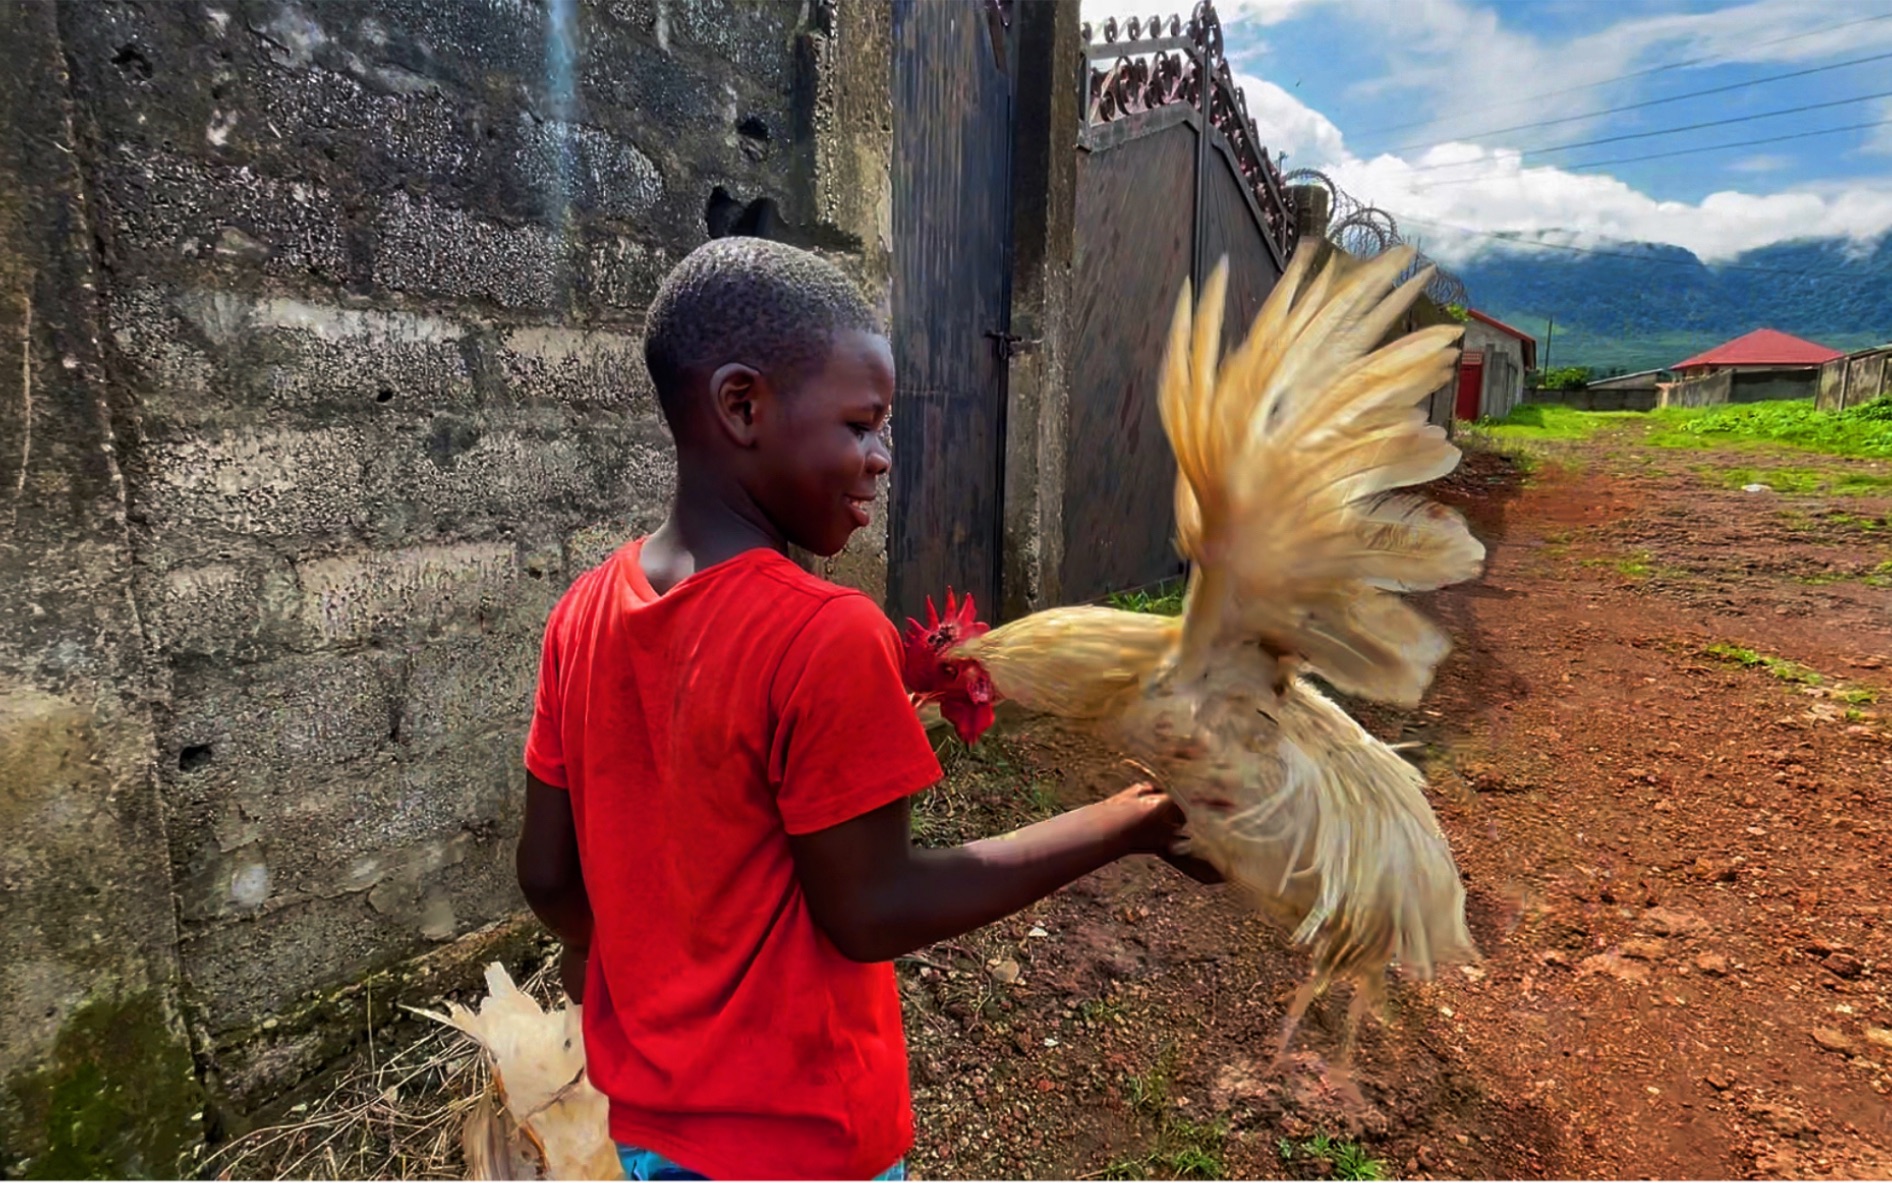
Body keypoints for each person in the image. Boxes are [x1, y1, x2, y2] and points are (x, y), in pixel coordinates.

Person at [516, 236, 1215, 1181]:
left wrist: (641, 968)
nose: (882, 458)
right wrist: (1129, 823)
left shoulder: (582, 612)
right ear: (742, 405)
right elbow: (873, 909)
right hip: (803, 1142)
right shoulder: (821, 633)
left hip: (646, 1123)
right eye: (862, 423)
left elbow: (549, 876)